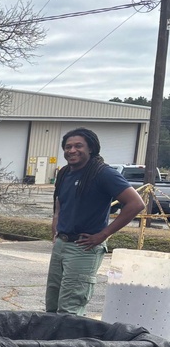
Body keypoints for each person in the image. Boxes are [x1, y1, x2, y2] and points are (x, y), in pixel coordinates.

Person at [46, 127, 144, 314]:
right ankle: (50, 343)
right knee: (52, 305)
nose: (72, 150)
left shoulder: (103, 173)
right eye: (68, 147)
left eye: (78, 146)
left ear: (91, 148)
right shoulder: (65, 173)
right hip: (61, 244)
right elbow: (59, 201)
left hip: (84, 248)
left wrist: (103, 234)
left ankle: (68, 343)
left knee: (69, 309)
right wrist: (56, 224)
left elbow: (136, 204)